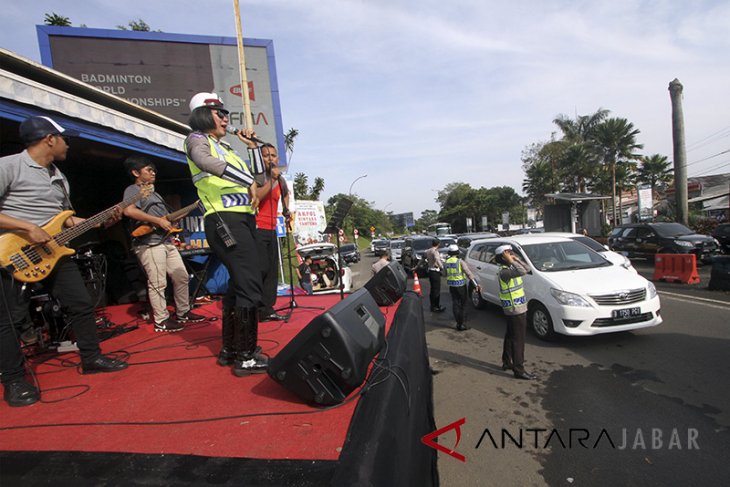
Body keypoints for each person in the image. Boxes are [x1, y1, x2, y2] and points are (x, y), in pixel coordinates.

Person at [0, 116, 128, 407]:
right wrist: (26, 227)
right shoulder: (8, 166)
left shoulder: (59, 176)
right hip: (11, 253)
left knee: (81, 303)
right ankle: (14, 379)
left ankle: (91, 357)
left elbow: (65, 219)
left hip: (53, 251)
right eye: (63, 138)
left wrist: (97, 221)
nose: (67, 144)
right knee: (6, 320)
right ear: (49, 139)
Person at [184, 92, 267, 376]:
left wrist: (252, 147)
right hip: (224, 220)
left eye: (225, 114)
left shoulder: (229, 147)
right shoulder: (197, 140)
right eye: (218, 113)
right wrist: (248, 183)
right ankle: (246, 356)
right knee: (249, 284)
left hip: (242, 220)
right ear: (202, 115)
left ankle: (231, 350)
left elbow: (260, 178)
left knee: (238, 284)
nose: (224, 118)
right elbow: (206, 163)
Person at [122, 155, 205, 332]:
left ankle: (183, 312)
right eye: (148, 170)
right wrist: (158, 221)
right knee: (158, 282)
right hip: (148, 243)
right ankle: (161, 320)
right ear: (135, 172)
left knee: (181, 276)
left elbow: (168, 217)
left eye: (153, 170)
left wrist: (192, 207)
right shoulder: (133, 189)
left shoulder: (155, 193)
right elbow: (128, 210)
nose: (153, 173)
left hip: (166, 241)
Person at [254, 143, 289, 322]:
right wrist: (273, 180)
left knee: (272, 270)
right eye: (266, 155)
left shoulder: (280, 179)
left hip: (272, 228)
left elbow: (285, 194)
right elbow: (257, 197)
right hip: (258, 228)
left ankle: (268, 308)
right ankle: (257, 307)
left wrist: (287, 210)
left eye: (273, 156)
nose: (270, 159)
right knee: (261, 269)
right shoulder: (258, 177)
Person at [495, 244, 535, 380]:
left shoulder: (509, 268)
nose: (511, 254)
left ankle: (507, 361)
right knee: (519, 340)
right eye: (508, 252)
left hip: (515, 308)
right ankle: (519, 369)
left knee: (511, 336)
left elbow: (527, 268)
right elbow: (523, 272)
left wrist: (516, 259)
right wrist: (512, 261)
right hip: (515, 309)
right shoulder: (504, 272)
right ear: (503, 256)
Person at [444, 244, 479, 331]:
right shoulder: (460, 262)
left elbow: (444, 274)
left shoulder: (446, 262)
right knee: (463, 304)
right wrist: (475, 284)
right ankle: (462, 324)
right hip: (461, 286)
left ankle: (458, 323)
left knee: (455, 304)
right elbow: (468, 273)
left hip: (452, 286)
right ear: (457, 252)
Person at [424, 238, 445, 312]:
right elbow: (437, 259)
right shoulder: (435, 251)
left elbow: (423, 259)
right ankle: (436, 306)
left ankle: (432, 305)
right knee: (436, 290)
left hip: (430, 271)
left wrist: (416, 267)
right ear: (438, 244)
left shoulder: (428, 250)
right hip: (435, 271)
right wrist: (442, 267)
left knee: (433, 289)